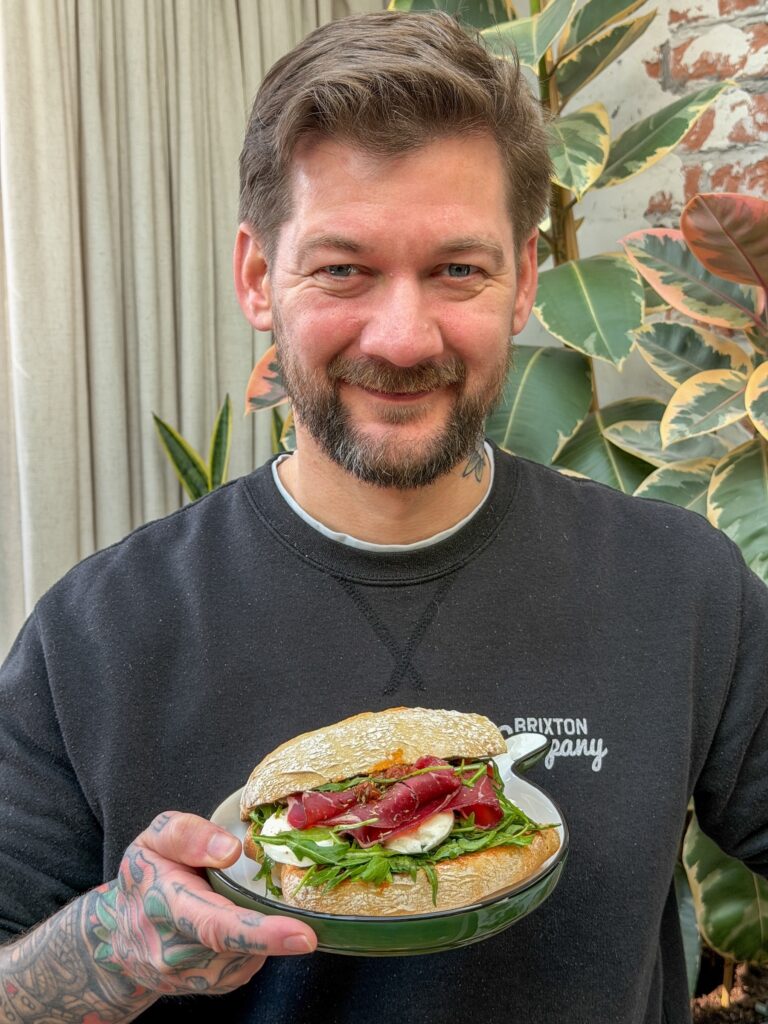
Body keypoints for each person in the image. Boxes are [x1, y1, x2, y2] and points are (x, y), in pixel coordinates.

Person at [0, 9, 766, 1023]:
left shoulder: (681, 585)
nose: (402, 338)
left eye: (457, 269)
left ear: (526, 280)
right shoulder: (99, 630)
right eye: (343, 268)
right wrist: (109, 947)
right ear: (257, 278)